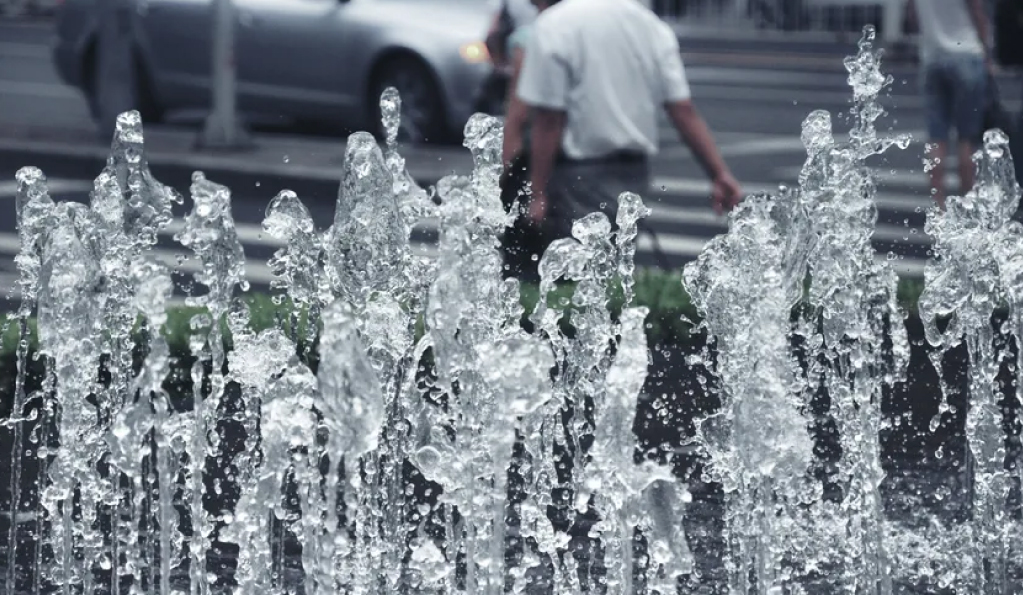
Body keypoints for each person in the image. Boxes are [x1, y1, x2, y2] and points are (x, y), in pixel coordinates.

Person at [510, 0, 742, 276]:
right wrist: (719, 173)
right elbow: (682, 109)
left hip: (576, 176)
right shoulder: (650, 25)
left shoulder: (554, 24)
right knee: (616, 277)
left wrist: (537, 192)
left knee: (573, 281)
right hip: (634, 175)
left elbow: (549, 119)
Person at [908, 0, 992, 208]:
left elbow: (911, 16)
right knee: (967, 138)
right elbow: (977, 11)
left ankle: (938, 206)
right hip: (967, 54)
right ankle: (968, 203)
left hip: (932, 56)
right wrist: (987, 52)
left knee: (936, 138)